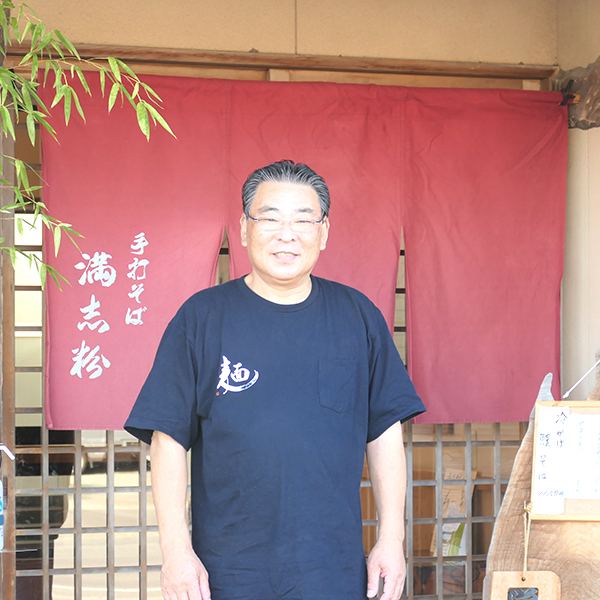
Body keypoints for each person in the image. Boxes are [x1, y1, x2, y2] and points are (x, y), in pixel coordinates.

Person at [125, 160, 426, 600]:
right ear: (244, 229)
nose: (287, 234)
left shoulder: (357, 316)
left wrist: (391, 539)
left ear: (324, 232)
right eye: (270, 219)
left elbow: (384, 432)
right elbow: (167, 439)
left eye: (303, 220)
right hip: (226, 573)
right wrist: (175, 551)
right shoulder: (202, 318)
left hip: (333, 569)